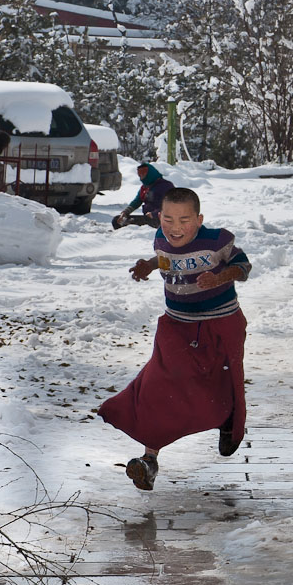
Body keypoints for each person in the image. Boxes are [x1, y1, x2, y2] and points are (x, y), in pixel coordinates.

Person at [99, 187, 253, 490]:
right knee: (157, 384)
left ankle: (228, 424)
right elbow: (167, 260)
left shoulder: (217, 241)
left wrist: (219, 277)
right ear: (159, 218)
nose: (175, 228)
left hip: (220, 324)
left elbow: (243, 267)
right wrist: (149, 264)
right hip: (177, 325)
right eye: (167, 219)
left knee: (221, 382)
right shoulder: (160, 239)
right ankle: (149, 459)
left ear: (199, 219)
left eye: (184, 220)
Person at [112, 162, 175, 229]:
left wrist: (154, 214)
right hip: (148, 218)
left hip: (162, 220)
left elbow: (173, 206)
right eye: (140, 174)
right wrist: (125, 212)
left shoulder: (165, 186)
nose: (141, 177)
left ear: (150, 173)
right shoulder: (145, 188)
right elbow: (137, 201)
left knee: (130, 222)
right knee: (117, 220)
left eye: (143, 174)